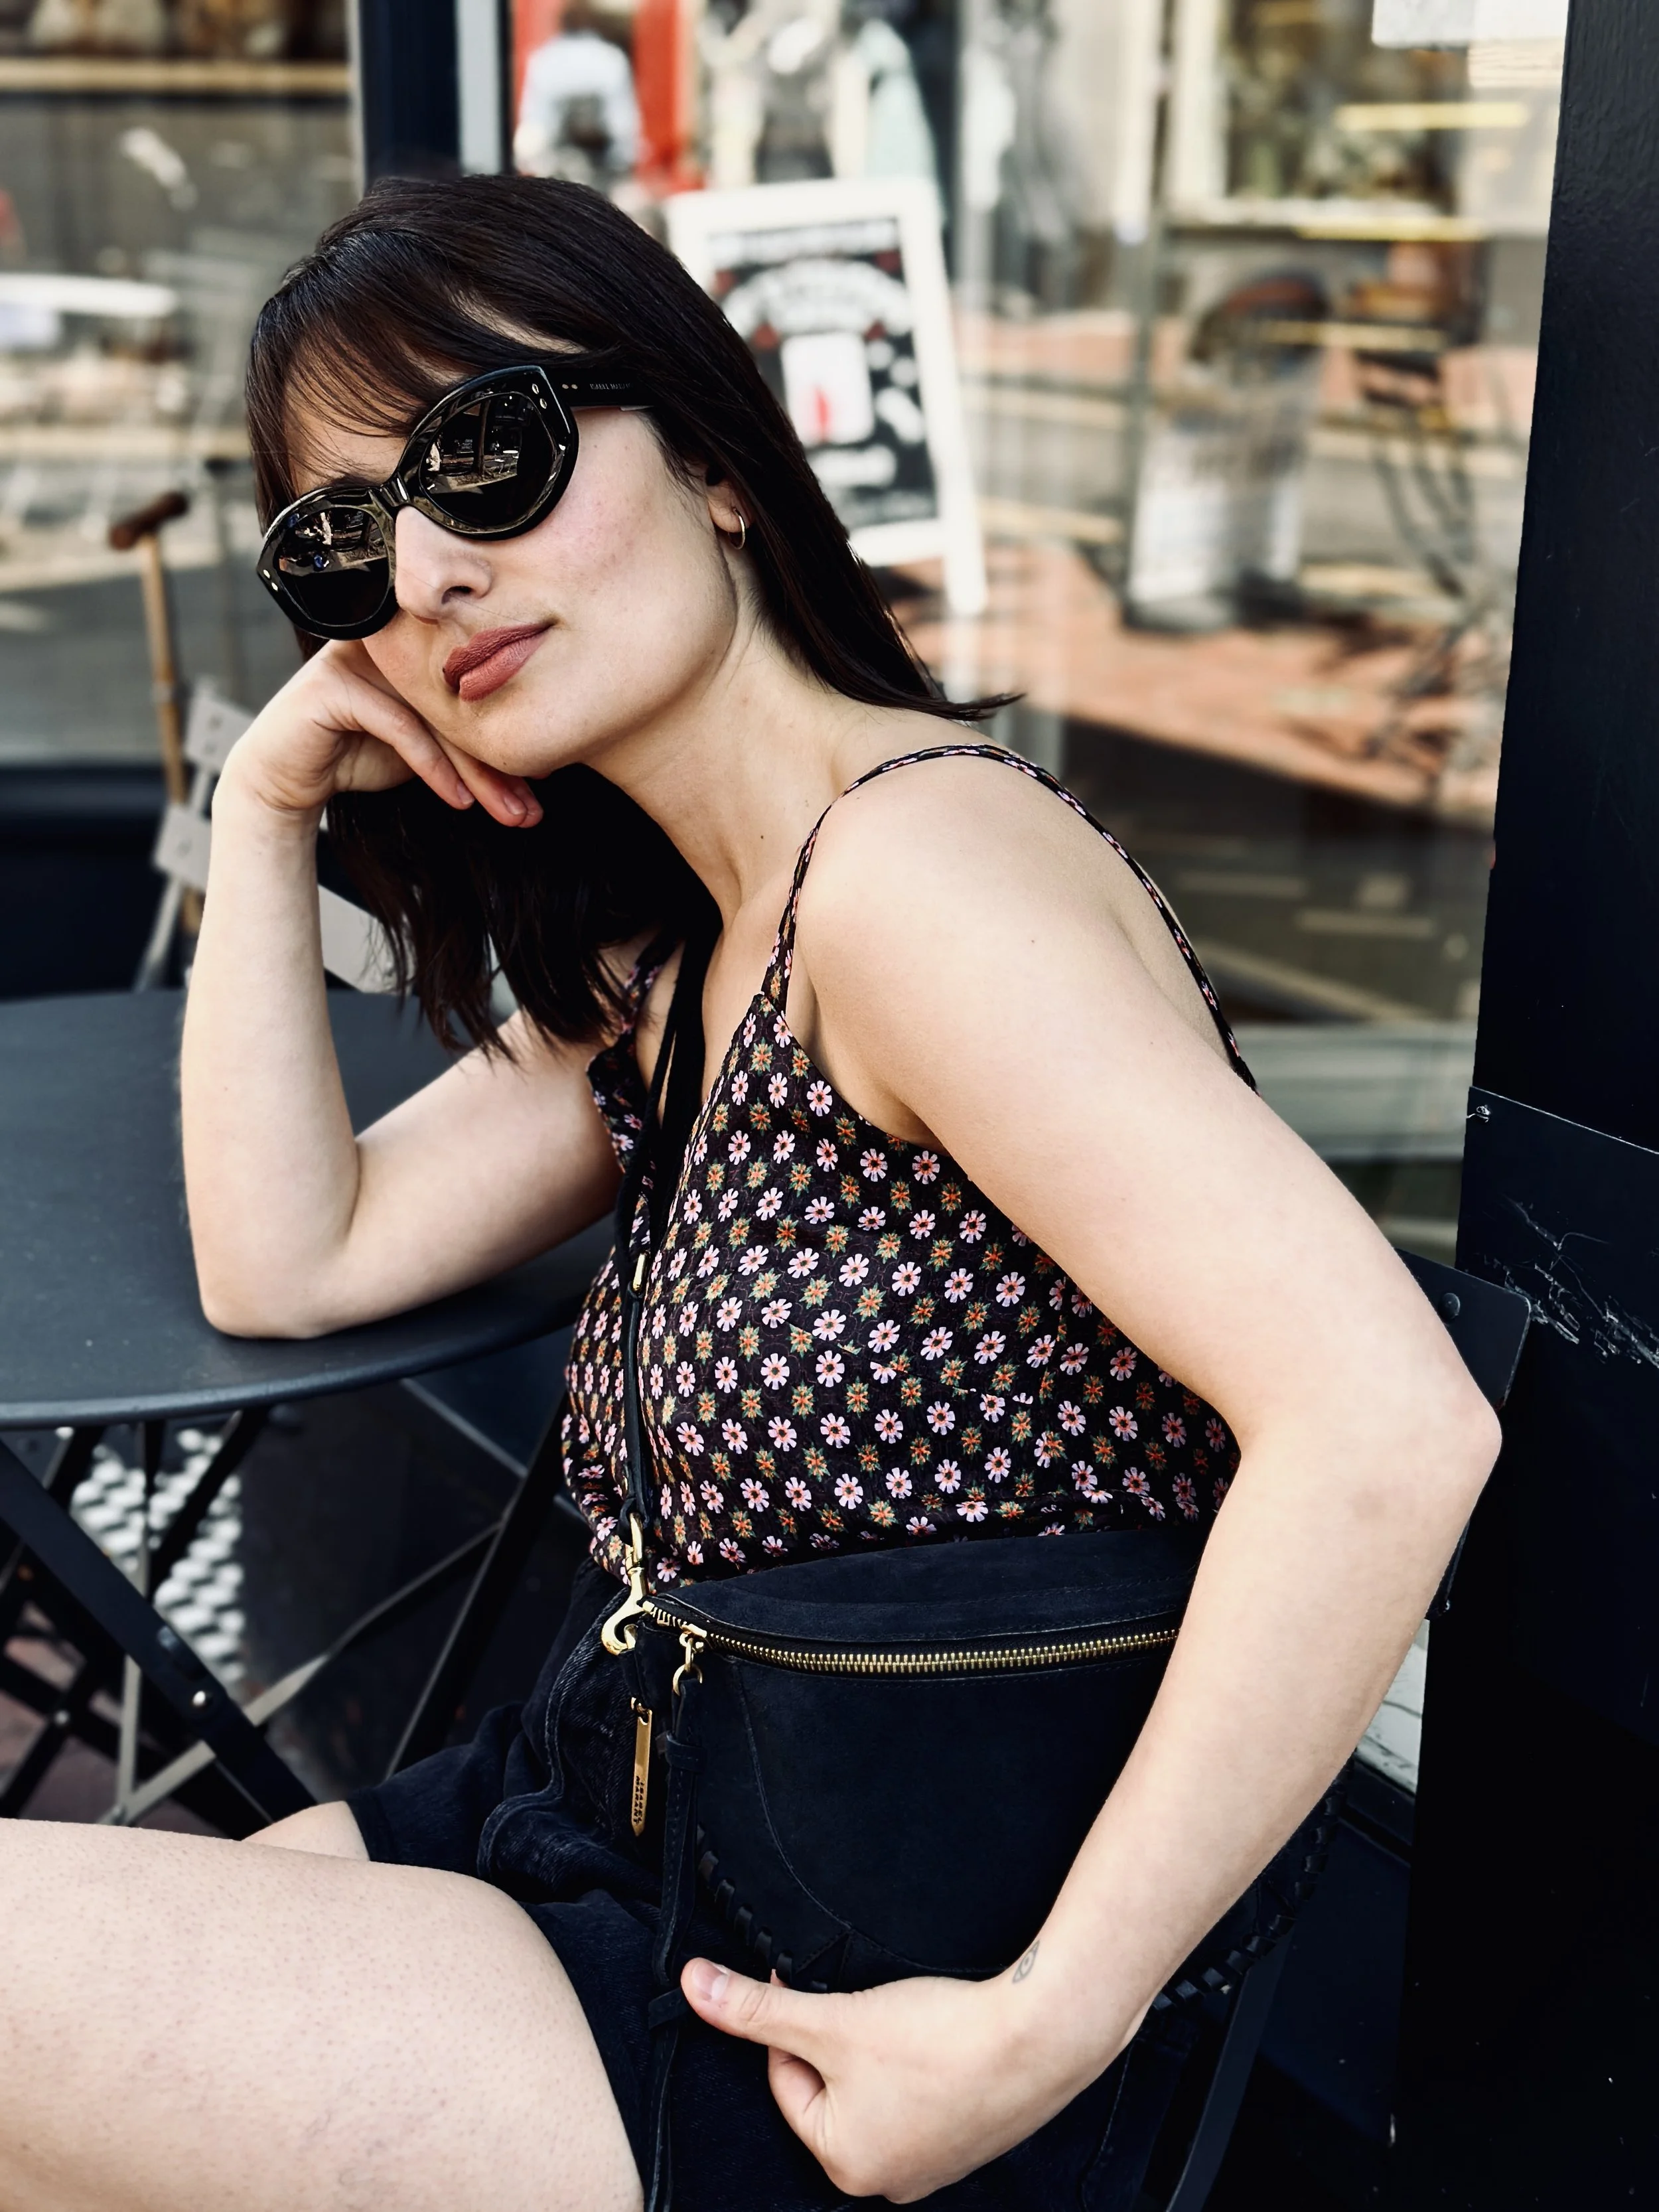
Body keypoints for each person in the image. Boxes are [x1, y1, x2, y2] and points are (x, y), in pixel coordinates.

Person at [0, 175, 1498, 2212]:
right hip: (615, 1827)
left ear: (712, 459)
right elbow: (295, 1257)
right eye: (346, 543)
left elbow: (1384, 1420)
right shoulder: (697, 949)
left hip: (819, 2020)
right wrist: (265, 803)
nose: (424, 574)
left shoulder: (908, 882)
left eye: (489, 456)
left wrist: (1043, 2021)